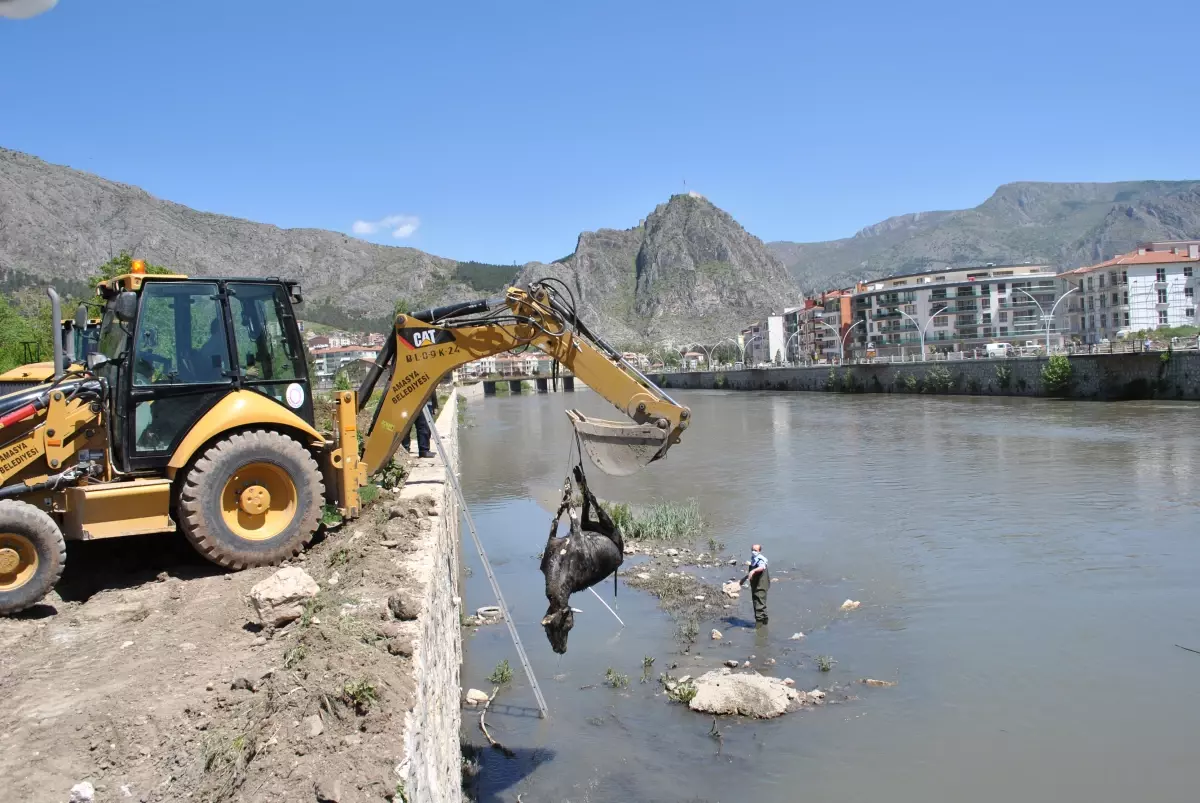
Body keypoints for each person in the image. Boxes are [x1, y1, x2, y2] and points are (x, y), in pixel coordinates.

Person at [401, 394, 439, 458]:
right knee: (406, 427)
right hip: (408, 401)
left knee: (424, 427)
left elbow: (432, 389)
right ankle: (406, 449)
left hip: (424, 402)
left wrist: (435, 405)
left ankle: (423, 450)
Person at [740, 543, 769, 625]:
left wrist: (753, 571)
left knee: (759, 605)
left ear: (759, 551)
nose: (753, 552)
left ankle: (759, 628)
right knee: (758, 603)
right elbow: (752, 572)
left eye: (755, 550)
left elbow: (762, 567)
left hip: (760, 585)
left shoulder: (760, 559)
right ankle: (764, 623)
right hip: (755, 585)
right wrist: (744, 578)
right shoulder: (754, 558)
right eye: (752, 550)